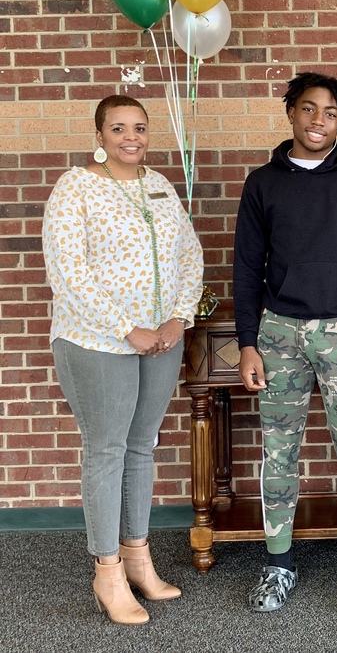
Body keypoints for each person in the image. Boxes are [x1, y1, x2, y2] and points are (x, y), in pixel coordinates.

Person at [42, 94, 204, 625]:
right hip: (97, 342)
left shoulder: (159, 185)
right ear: (100, 134)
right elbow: (68, 272)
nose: (130, 137)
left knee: (141, 447)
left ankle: (138, 558)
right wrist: (126, 329)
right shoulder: (76, 188)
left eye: (139, 127)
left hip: (161, 339)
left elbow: (190, 252)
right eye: (118, 128)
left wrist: (179, 317)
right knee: (108, 450)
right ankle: (107, 571)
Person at [233, 72, 337, 614]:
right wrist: (247, 342)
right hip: (279, 332)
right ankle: (278, 565)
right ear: (291, 113)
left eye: (329, 112)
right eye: (308, 108)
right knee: (279, 451)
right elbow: (247, 266)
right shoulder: (262, 183)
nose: (317, 120)